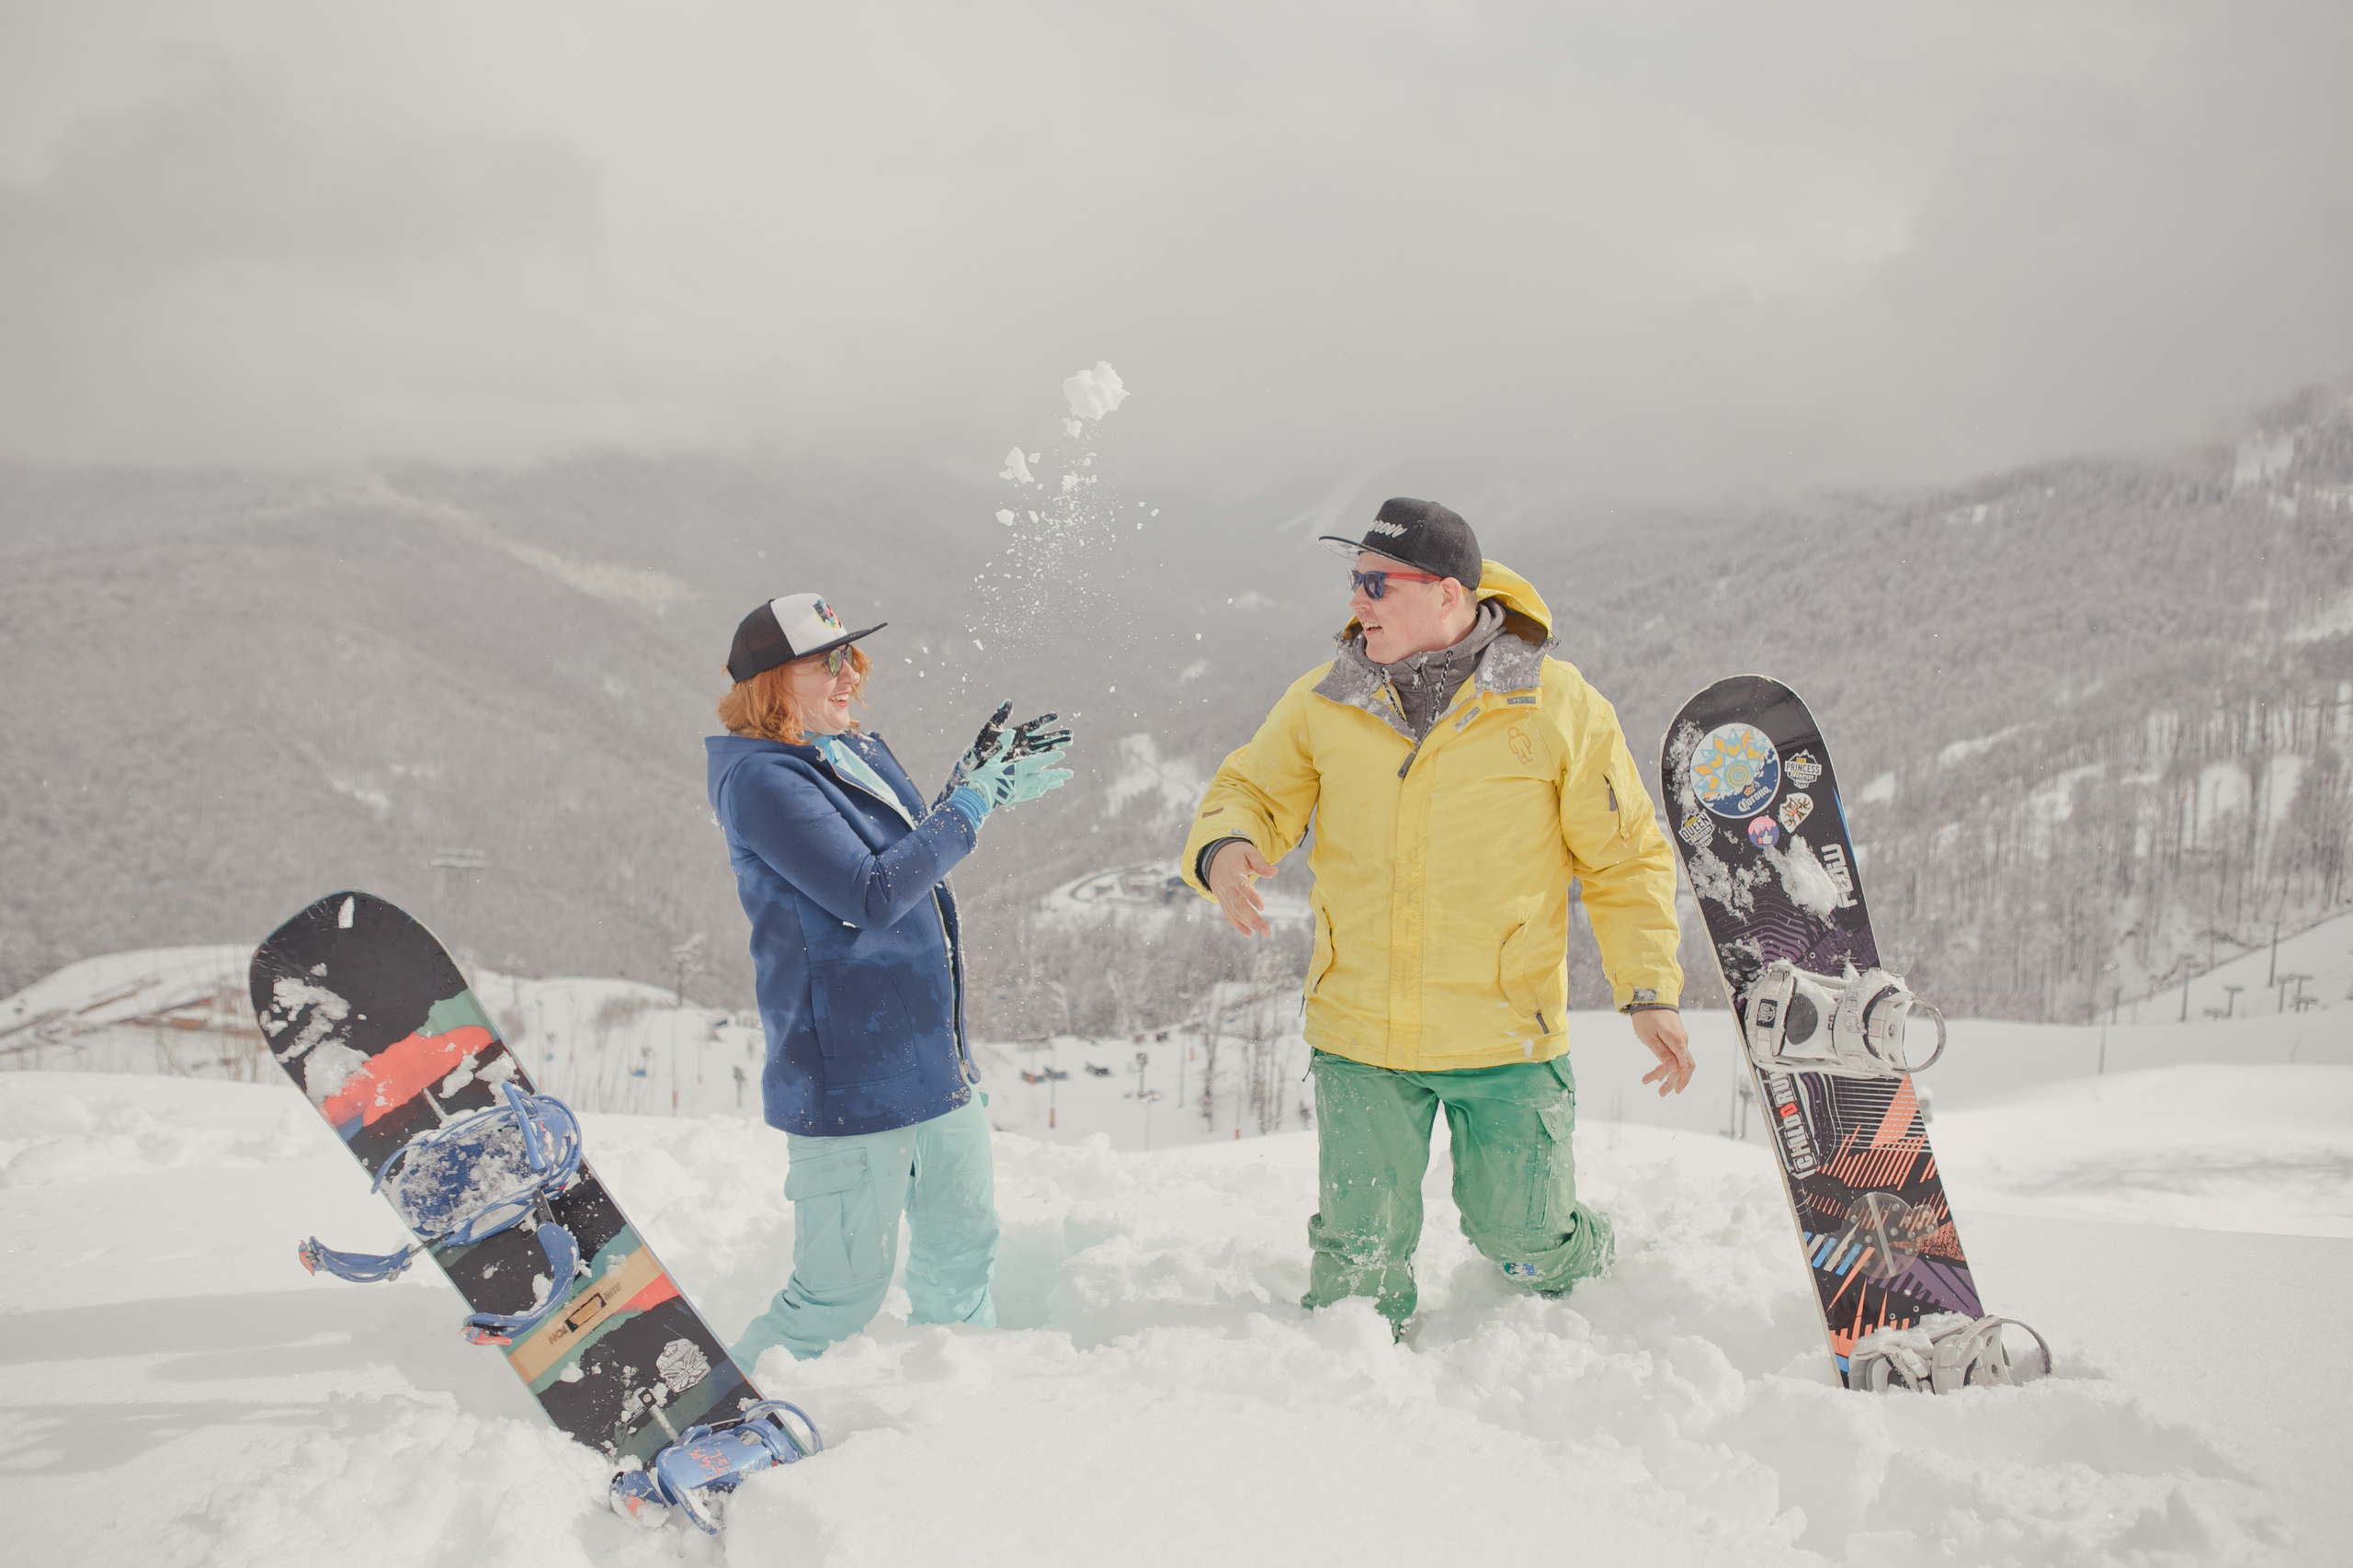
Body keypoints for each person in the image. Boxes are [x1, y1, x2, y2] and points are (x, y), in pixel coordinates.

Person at [1179, 498, 1693, 1333]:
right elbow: (1252, 787)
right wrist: (1229, 845)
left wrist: (1649, 989)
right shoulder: (1325, 701)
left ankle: (1592, 1261)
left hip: (1504, 1034)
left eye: (1376, 582)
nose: (1356, 600)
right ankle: (1350, 1425)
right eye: (1353, 581)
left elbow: (1625, 855)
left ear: (1449, 595)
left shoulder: (1556, 707)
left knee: (1526, 1244)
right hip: (1361, 1035)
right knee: (1356, 1274)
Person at [707, 591, 1072, 1363]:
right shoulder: (763, 781)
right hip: (852, 1076)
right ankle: (720, 1414)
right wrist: (969, 806)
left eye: (851, 658)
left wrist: (977, 785)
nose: (850, 677)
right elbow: (871, 894)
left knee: (961, 1255)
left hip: (933, 1058)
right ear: (771, 685)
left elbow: (908, 863)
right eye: (826, 663)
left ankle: (960, 1398)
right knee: (838, 1297)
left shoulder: (850, 751)